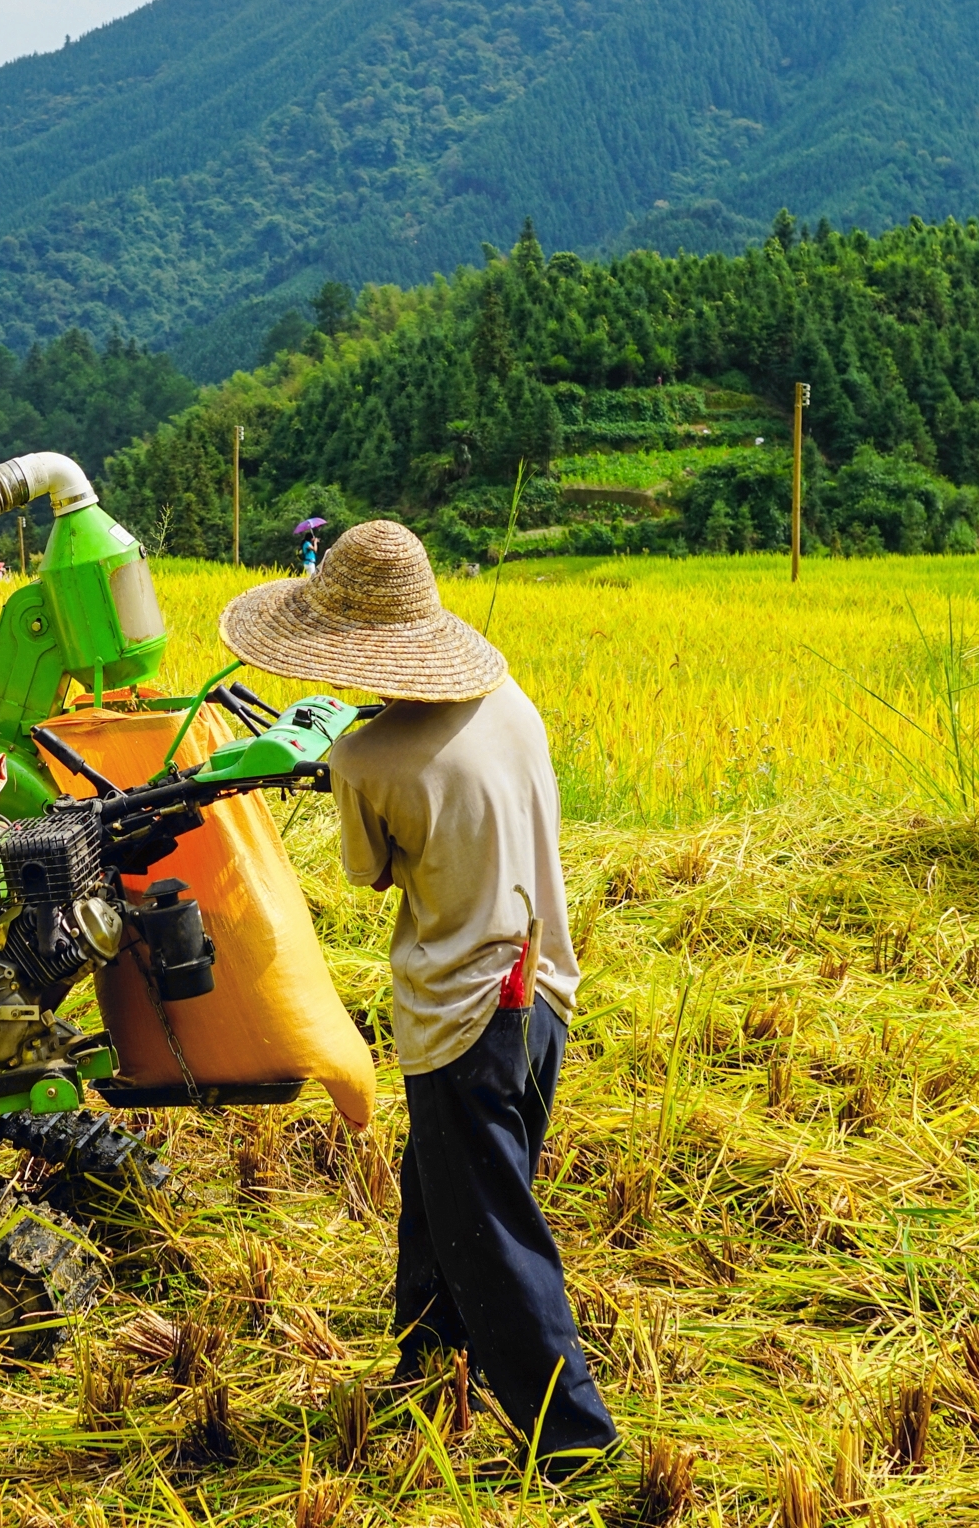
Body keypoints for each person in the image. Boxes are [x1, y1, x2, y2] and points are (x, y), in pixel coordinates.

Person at [216, 518, 616, 1483]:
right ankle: (430, 1359)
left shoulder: (366, 762)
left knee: (492, 1229)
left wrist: (344, 769)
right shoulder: (510, 699)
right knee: (442, 1187)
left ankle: (573, 1443)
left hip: (465, 1012)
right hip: (545, 985)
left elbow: (368, 874)